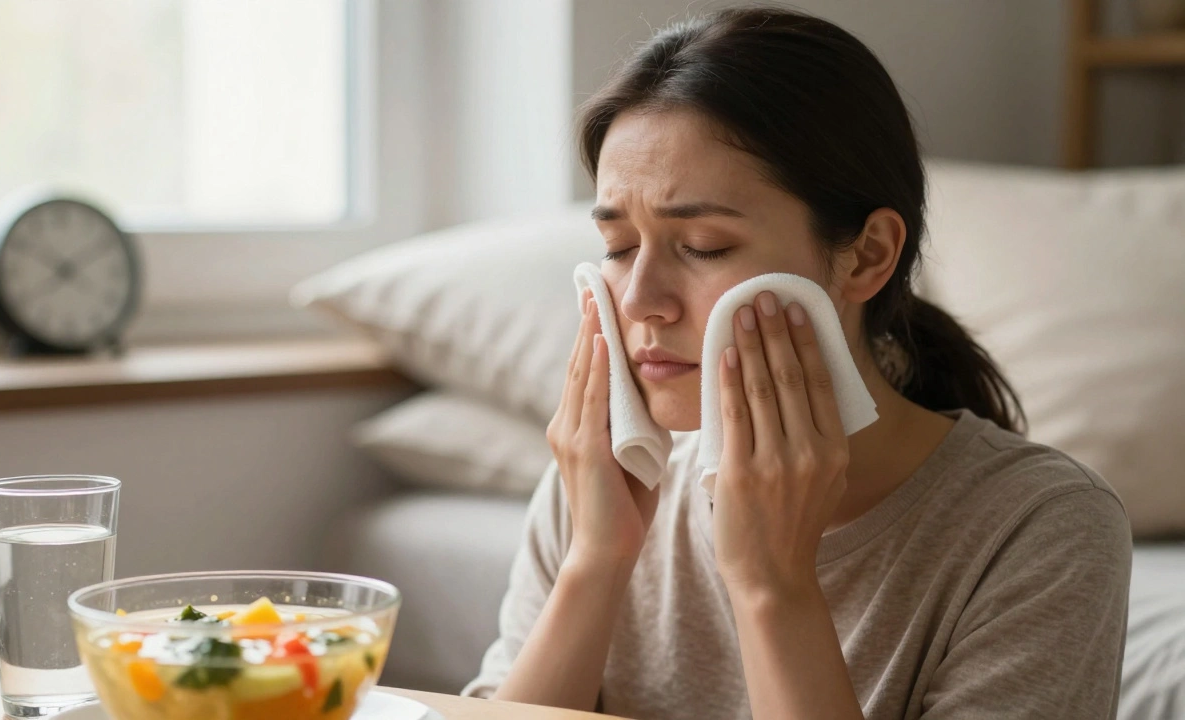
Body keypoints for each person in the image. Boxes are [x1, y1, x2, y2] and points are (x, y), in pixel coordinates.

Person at [463, 6, 1132, 720]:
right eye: (620, 248)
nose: (640, 302)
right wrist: (595, 563)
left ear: (867, 255)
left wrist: (771, 586)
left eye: (705, 246)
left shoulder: (1042, 529)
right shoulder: (600, 486)